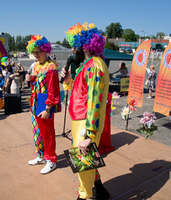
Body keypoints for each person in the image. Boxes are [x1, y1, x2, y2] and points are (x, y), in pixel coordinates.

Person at [61, 22, 110, 200]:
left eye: (75, 46)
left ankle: (86, 196)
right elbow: (78, 92)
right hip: (80, 119)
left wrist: (89, 135)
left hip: (85, 122)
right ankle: (100, 189)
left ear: (84, 45)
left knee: (83, 163)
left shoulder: (94, 66)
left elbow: (95, 102)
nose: (73, 50)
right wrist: (67, 79)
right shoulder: (86, 65)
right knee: (88, 160)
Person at [26, 35, 61, 174]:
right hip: (35, 101)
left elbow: (52, 90)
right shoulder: (35, 66)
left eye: (39, 51)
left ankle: (51, 159)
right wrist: (30, 79)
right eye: (34, 52)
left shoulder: (50, 67)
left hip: (44, 101)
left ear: (45, 50)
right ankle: (41, 155)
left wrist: (48, 108)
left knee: (47, 133)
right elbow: (36, 85)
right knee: (37, 132)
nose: (36, 54)